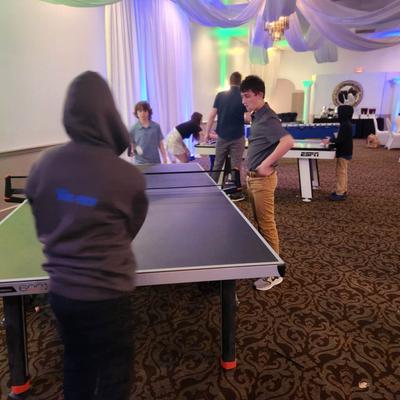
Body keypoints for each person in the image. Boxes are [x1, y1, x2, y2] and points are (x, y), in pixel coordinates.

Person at [25, 71, 149, 400]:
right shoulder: (127, 175)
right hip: (110, 293)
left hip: (63, 292)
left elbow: (41, 220)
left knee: (76, 362)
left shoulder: (43, 165)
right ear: (109, 114)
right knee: (115, 370)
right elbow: (131, 227)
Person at [240, 75, 294, 291]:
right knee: (261, 224)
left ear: (260, 95)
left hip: (263, 180)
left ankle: (275, 273)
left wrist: (266, 164)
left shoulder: (269, 118)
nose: (244, 100)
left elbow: (288, 141)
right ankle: (266, 259)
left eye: (247, 96)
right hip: (253, 179)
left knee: (267, 224)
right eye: (242, 96)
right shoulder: (256, 116)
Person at [205, 71, 247, 201]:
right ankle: (234, 192)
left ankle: (212, 191)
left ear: (230, 82)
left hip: (222, 136)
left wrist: (207, 133)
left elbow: (211, 115)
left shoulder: (220, 95)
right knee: (236, 166)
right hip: (238, 136)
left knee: (218, 164)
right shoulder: (243, 96)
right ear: (241, 82)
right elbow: (248, 117)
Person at [322, 104, 354, 201]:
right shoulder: (347, 123)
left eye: (339, 112)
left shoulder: (345, 125)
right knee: (342, 172)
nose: (338, 114)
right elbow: (342, 139)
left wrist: (329, 142)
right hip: (346, 151)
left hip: (344, 152)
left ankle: (340, 193)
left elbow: (340, 140)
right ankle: (342, 190)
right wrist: (332, 142)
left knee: (341, 173)